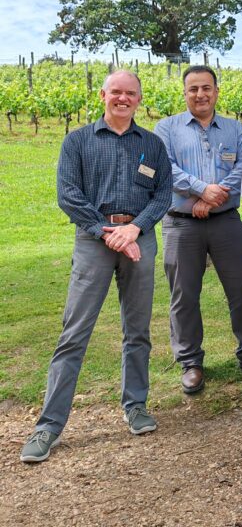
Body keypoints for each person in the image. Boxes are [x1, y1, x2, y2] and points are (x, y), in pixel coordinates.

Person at [21, 71, 172, 464]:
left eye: (131, 94)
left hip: (140, 239)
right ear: (103, 95)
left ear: (139, 99)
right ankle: (49, 426)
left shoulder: (152, 145)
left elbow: (163, 194)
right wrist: (108, 234)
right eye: (116, 92)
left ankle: (135, 406)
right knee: (74, 333)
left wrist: (135, 229)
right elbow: (68, 195)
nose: (123, 99)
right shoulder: (78, 141)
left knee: (137, 331)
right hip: (94, 241)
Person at [154, 66, 242, 395]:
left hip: (225, 221)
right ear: (184, 93)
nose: (200, 94)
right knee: (184, 295)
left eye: (206, 88)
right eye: (193, 89)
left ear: (216, 91)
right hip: (180, 223)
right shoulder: (167, 129)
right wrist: (202, 189)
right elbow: (166, 169)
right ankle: (190, 362)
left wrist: (212, 198)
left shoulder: (236, 130)